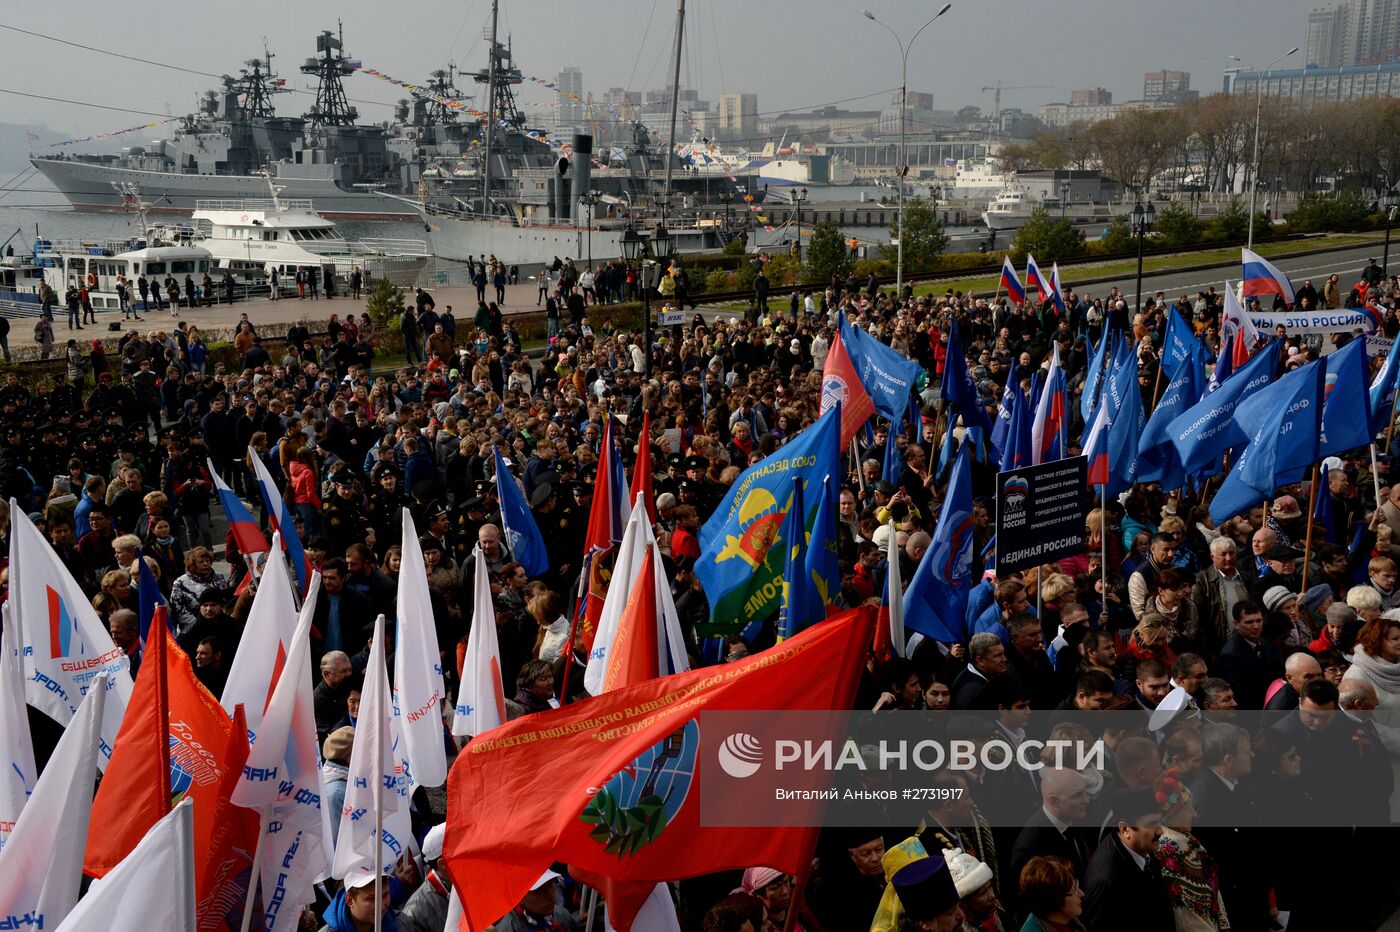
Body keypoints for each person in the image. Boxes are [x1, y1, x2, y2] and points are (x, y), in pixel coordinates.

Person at [1081, 786, 1173, 931]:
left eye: (1160, 821)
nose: (1160, 831)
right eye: (1151, 824)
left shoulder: (1141, 846)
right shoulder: (1106, 881)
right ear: (1125, 830)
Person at [1342, 612, 1400, 821]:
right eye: (1395, 639)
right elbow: (1359, 722)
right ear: (1377, 641)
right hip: (1384, 758)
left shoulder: (1397, 667)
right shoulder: (1357, 675)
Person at [1016, 856, 1086, 932]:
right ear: (1055, 900)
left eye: (1077, 885)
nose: (1082, 894)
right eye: (1074, 890)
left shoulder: (1070, 919)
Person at [318, 869, 396, 932]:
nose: (381, 906)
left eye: (385, 895)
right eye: (372, 898)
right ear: (350, 900)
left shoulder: (403, 924)